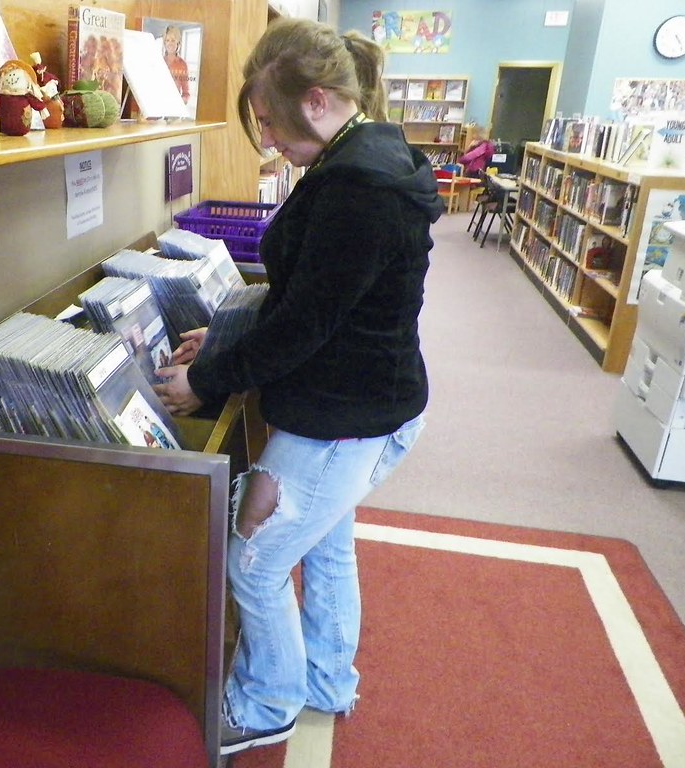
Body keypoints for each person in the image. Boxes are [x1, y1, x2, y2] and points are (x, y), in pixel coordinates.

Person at [153, 17, 442, 756]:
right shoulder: (363, 156)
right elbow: (308, 294)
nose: (271, 141)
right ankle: (327, 679)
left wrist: (208, 379)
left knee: (253, 559)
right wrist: (224, 334)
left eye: (272, 124)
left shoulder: (360, 190)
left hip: (344, 415)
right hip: (369, 400)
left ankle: (266, 702)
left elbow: (303, 325)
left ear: (317, 101)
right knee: (327, 542)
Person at [162, 25, 190, 104]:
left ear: (178, 43)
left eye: (173, 40)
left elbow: (186, 94)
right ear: (164, 43)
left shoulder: (183, 65)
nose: (170, 43)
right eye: (167, 40)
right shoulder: (159, 62)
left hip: (175, 107)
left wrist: (180, 103)